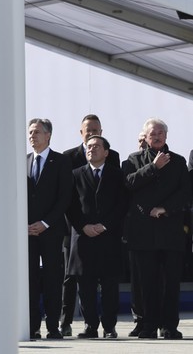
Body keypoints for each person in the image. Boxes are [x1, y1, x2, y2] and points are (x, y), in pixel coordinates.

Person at [122, 118, 191, 340]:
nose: (158, 136)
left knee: (171, 283)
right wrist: (153, 167)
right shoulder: (134, 160)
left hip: (170, 231)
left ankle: (170, 325)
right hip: (143, 232)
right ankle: (149, 325)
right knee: (147, 283)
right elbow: (129, 186)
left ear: (166, 136)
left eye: (161, 132)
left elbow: (185, 193)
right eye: (153, 133)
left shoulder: (179, 162)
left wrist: (164, 209)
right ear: (146, 136)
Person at [59, 114, 121, 336]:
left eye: (97, 146)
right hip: (82, 237)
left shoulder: (116, 174)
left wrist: (104, 225)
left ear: (106, 152)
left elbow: (121, 205)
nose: (91, 149)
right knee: (84, 285)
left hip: (108, 237)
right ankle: (90, 326)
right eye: (89, 146)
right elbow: (70, 205)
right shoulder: (75, 174)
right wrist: (83, 226)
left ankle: (109, 326)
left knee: (109, 284)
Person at [26, 118, 73, 340]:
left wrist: (45, 223)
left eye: (36, 132)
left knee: (53, 280)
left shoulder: (61, 162)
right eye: (30, 133)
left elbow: (65, 197)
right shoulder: (23, 161)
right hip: (27, 232)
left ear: (48, 135)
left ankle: (53, 326)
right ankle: (33, 325)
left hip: (51, 231)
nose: (31, 136)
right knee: (30, 279)